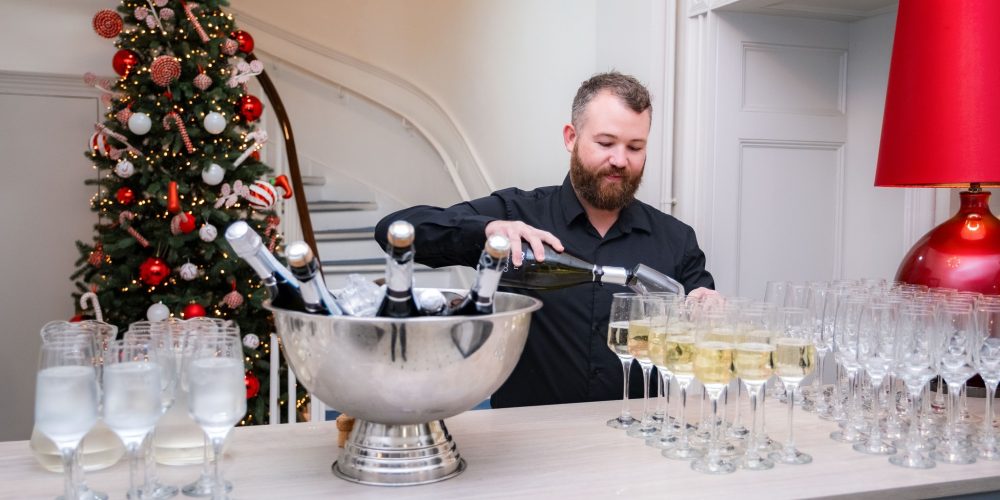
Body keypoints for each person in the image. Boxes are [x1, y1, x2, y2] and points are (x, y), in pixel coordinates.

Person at [374, 71, 716, 408]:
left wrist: (707, 310)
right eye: (606, 143)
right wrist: (487, 229)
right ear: (571, 137)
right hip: (526, 441)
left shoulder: (676, 238)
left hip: (638, 440)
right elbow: (395, 231)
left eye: (635, 147)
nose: (620, 160)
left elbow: (701, 320)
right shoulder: (515, 214)